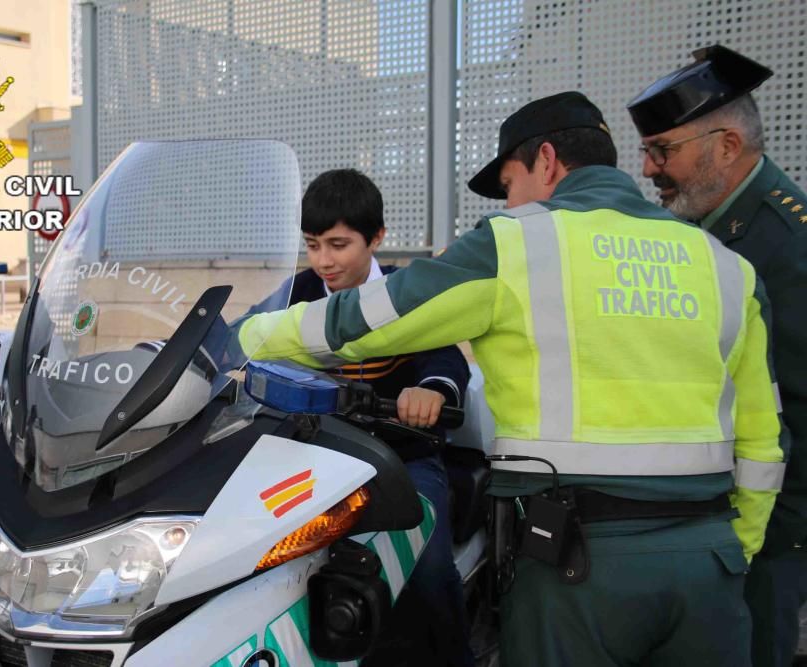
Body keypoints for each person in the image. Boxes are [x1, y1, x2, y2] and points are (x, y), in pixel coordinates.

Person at [236, 92, 784, 666]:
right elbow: (764, 440)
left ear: (546, 162)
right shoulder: (725, 265)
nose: (508, 201)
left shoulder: (517, 243)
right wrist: (735, 548)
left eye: (507, 183)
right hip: (708, 563)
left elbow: (360, 319)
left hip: (576, 567)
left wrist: (235, 339)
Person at [249, 168, 474, 666]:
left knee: (428, 571)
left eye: (339, 244)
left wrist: (431, 390)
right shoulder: (296, 294)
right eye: (312, 245)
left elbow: (445, 360)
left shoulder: (406, 292)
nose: (324, 261)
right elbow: (246, 338)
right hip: (313, 463)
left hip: (402, 459)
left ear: (377, 238)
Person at [629, 45, 807, 667]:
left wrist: (765, 536)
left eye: (663, 150)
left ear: (726, 146)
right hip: (706, 521)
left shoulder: (786, 244)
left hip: (763, 532)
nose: (648, 169)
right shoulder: (705, 229)